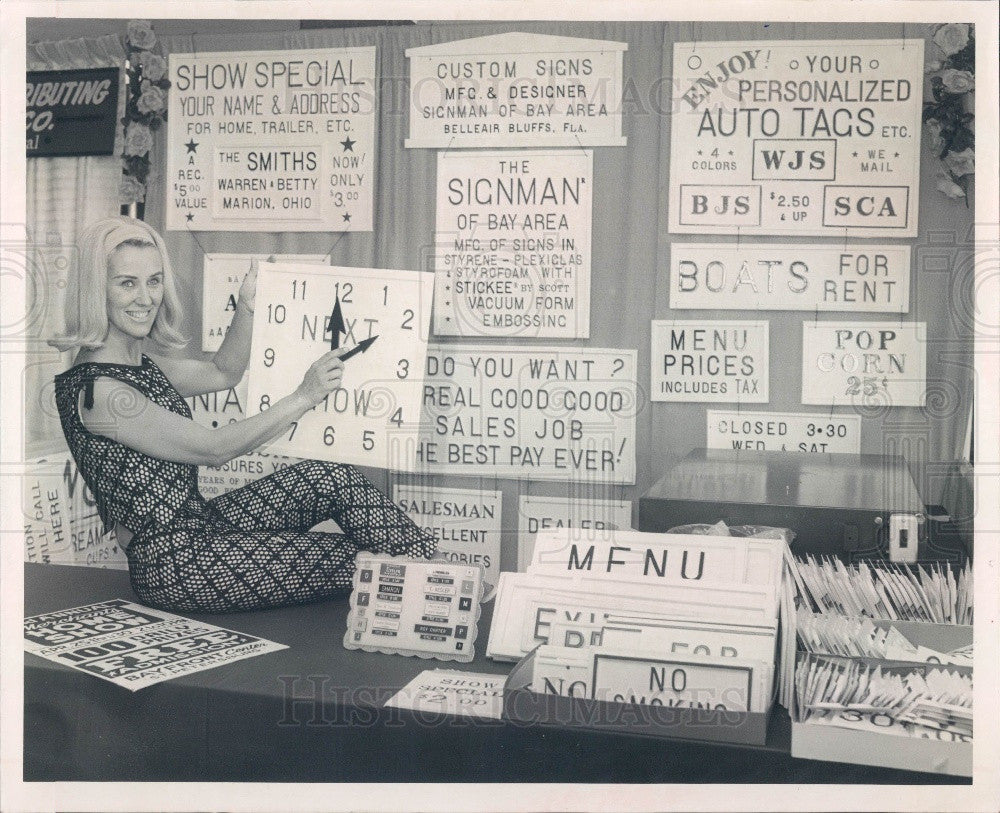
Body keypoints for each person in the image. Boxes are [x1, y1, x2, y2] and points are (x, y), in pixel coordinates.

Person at [49, 216, 436, 613]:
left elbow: (223, 371)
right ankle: (444, 587)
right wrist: (304, 396)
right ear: (97, 290)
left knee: (329, 477)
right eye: (127, 283)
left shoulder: (140, 366)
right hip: (175, 565)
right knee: (353, 558)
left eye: (154, 280)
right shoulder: (100, 392)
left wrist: (249, 304)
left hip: (202, 526)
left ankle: (440, 571)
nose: (146, 297)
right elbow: (213, 448)